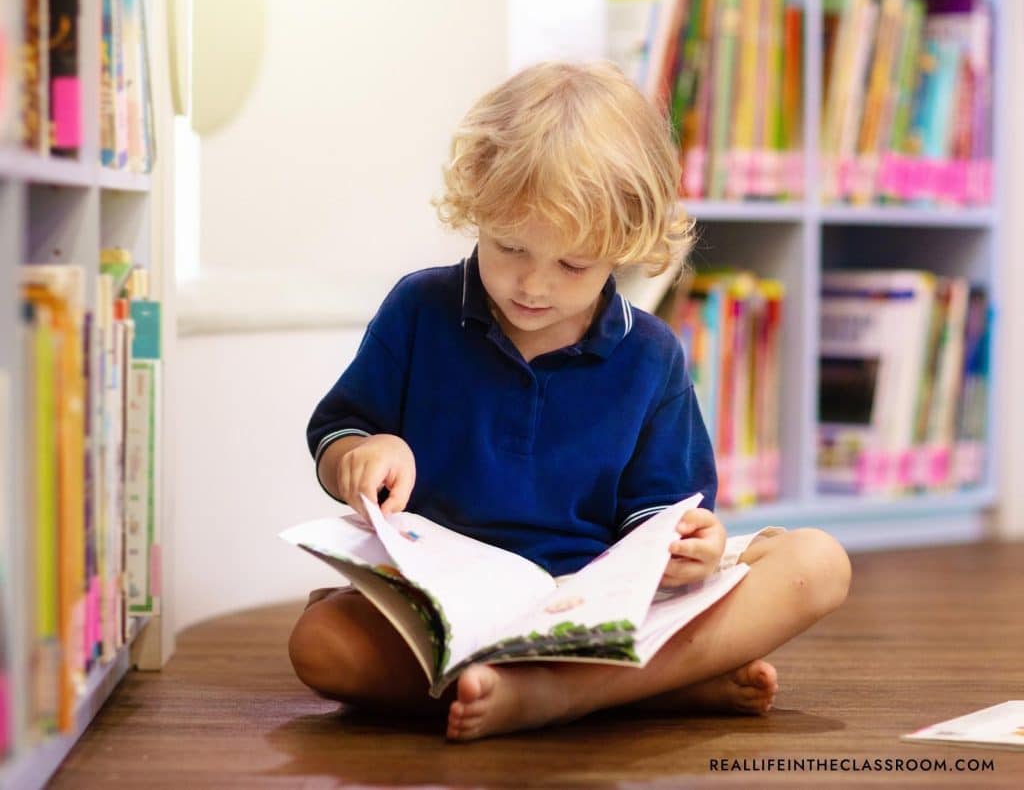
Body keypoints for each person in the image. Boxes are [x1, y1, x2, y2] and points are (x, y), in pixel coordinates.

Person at [288, 60, 851, 742]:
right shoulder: (420, 310)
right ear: (477, 209)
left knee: (818, 563)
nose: (532, 283)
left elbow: (664, 520)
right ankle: (643, 689)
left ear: (625, 246)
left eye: (573, 265)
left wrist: (690, 549)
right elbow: (340, 432)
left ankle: (556, 692)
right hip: (448, 604)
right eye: (509, 247)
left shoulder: (652, 356)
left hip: (597, 609)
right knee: (321, 645)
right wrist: (361, 454)